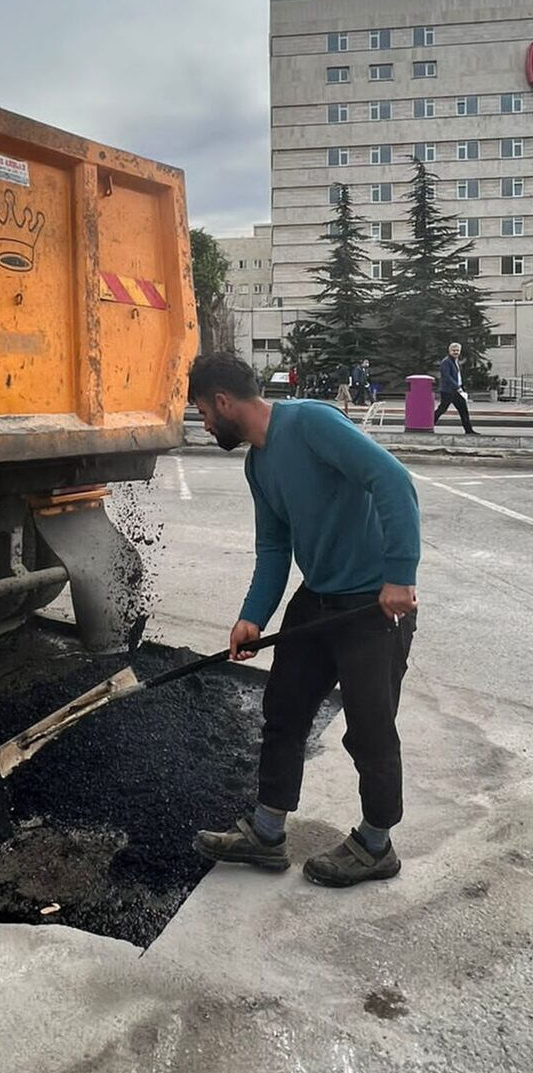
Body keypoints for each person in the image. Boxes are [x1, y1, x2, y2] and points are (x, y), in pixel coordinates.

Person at [187, 353, 419, 887]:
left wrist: (400, 575)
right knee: (284, 713)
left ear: (223, 402)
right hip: (316, 601)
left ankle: (377, 844)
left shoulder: (310, 422)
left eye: (202, 411)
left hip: (371, 606)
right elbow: (273, 547)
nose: (203, 423)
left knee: (370, 729)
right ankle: (267, 833)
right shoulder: (256, 464)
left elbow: (393, 481)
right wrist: (252, 617)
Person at [434, 341, 476, 434]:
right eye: (454, 350)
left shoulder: (455, 361)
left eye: (457, 350)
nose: (456, 352)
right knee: (442, 409)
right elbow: (447, 377)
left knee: (463, 410)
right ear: (449, 351)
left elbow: (457, 376)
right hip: (448, 391)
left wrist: (461, 387)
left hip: (456, 391)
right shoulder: (446, 362)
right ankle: (428, 424)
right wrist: (457, 387)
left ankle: (469, 430)